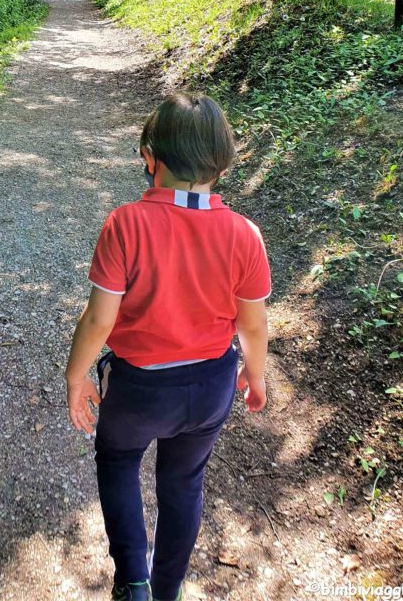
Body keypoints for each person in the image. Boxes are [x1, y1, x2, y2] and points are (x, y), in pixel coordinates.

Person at [65, 93, 271, 601]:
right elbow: (254, 325)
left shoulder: (126, 224)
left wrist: (76, 375)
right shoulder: (245, 235)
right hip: (209, 386)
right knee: (183, 483)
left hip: (138, 389)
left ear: (150, 158)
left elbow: (99, 317)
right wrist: (256, 374)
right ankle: (168, 590)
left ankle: (132, 579)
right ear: (220, 165)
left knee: (117, 461)